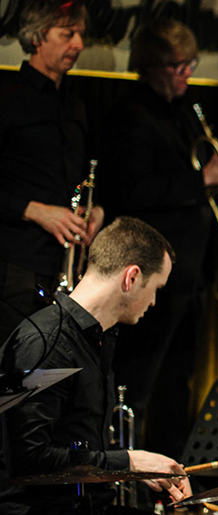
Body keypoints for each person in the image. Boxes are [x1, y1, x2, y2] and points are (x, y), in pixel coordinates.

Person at [96, 18, 218, 460]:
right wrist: (203, 179)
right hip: (149, 273)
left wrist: (213, 189)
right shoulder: (130, 115)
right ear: (150, 65)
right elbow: (132, 191)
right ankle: (127, 473)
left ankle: (168, 471)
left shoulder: (182, 113)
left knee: (179, 381)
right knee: (140, 381)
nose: (185, 74)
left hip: (190, 271)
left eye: (190, 65)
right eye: (175, 66)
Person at [0, 217, 191, 515]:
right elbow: (27, 459)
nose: (154, 301)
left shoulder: (94, 341)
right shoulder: (46, 343)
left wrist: (139, 467)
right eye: (156, 287)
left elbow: (74, 447)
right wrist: (129, 462)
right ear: (131, 278)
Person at [0, 0, 103, 344]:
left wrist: (95, 210)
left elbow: (81, 177)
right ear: (38, 37)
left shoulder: (74, 103)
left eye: (80, 34)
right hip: (15, 262)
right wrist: (35, 211)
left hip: (63, 265)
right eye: (67, 34)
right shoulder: (8, 98)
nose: (79, 44)